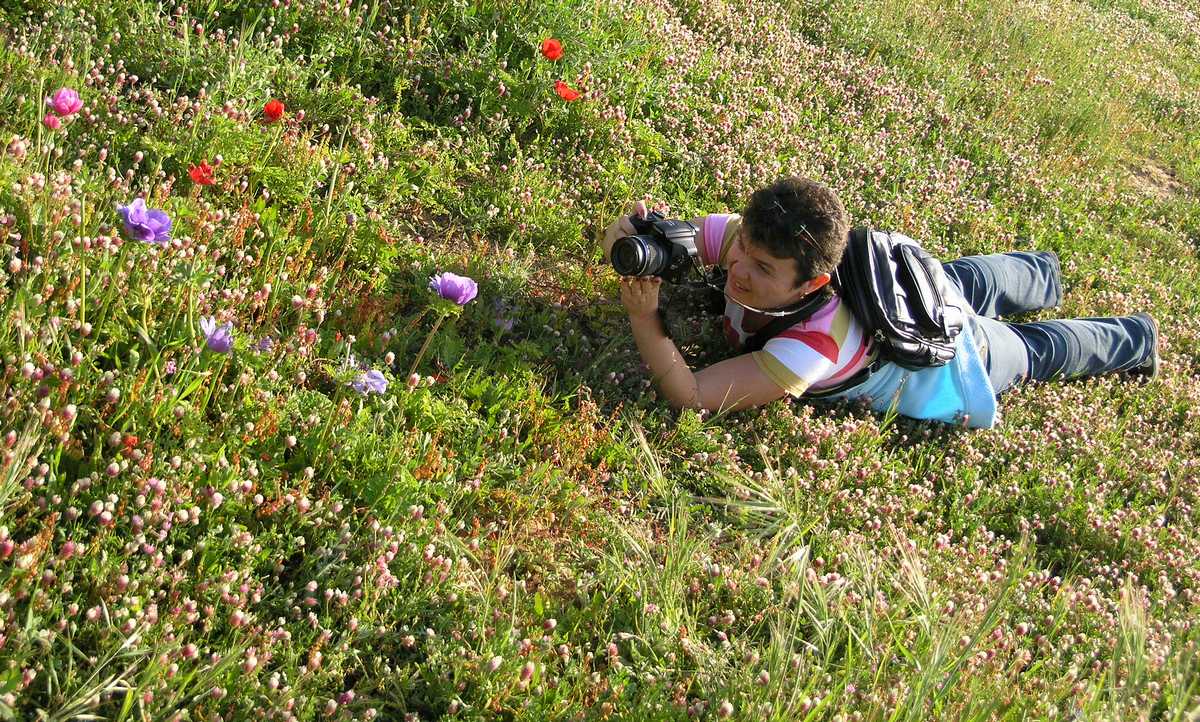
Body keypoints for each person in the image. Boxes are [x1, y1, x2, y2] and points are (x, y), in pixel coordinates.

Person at [599, 176, 1160, 428]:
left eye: (763, 270)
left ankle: (1138, 338)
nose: (738, 267)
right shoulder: (757, 239)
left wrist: (646, 319)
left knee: (1033, 349)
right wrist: (635, 241)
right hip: (910, 284)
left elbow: (693, 395)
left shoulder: (813, 345)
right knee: (963, 281)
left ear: (812, 284)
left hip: (957, 352)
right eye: (740, 244)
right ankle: (1044, 272)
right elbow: (693, 240)